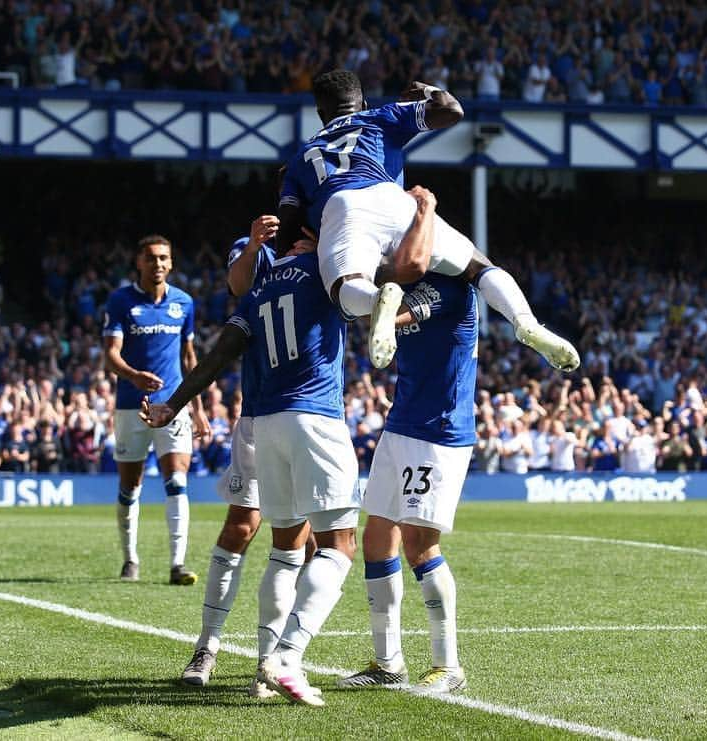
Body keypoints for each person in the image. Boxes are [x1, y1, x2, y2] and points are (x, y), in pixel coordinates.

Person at [141, 249, 359, 708]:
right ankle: (231, 649)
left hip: (270, 419)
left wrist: (175, 404)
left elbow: (221, 350)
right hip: (289, 417)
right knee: (321, 543)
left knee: (291, 547)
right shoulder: (313, 266)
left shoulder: (265, 283)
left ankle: (265, 664)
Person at [275, 69, 579, 373]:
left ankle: (378, 298)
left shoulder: (300, 157)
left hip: (343, 206)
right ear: (363, 103)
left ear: (320, 113)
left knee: (345, 289)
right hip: (395, 198)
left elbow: (287, 230)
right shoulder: (381, 115)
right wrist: (426, 90)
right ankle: (524, 321)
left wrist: (315, 245)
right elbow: (451, 109)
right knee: (478, 267)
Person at [337, 186, 473, 695]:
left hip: (439, 431)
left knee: (419, 543)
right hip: (403, 424)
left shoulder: (456, 284)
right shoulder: (408, 279)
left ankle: (448, 665)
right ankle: (387, 663)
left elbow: (399, 317)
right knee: (377, 538)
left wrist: (425, 210)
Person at [180, 213, 315, 696]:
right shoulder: (264, 263)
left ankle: (273, 657)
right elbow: (238, 283)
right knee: (243, 526)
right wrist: (258, 245)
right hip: (261, 416)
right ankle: (207, 645)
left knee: (307, 543)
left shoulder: (321, 263)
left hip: (309, 416)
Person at [102, 234, 209, 585]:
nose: (158, 264)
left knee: (177, 481)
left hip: (172, 407)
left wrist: (198, 407)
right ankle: (130, 559)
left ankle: (177, 564)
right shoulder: (121, 301)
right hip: (131, 407)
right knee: (129, 487)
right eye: (151, 258)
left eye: (164, 258)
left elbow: (190, 359)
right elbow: (111, 355)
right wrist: (133, 376)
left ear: (171, 263)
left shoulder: (184, 303)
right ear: (139, 262)